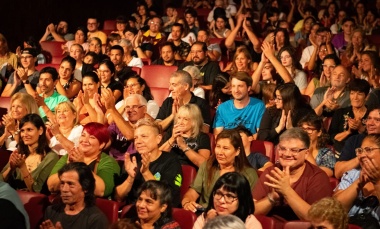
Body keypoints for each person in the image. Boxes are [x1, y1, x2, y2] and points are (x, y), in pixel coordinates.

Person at [253, 128, 332, 221]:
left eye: (294, 150)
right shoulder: (271, 172)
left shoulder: (318, 177)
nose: (287, 154)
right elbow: (252, 212)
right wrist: (272, 197)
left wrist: (286, 191)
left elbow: (316, 219)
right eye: (282, 149)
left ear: (306, 154)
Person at [182, 129, 258, 210]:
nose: (220, 152)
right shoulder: (207, 166)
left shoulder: (249, 174)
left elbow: (251, 206)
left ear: (237, 151)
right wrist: (187, 202)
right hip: (204, 213)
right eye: (218, 146)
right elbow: (193, 192)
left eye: (225, 148)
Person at [114, 118, 182, 207]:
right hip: (133, 212)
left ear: (158, 139)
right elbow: (118, 197)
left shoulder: (171, 161)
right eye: (136, 138)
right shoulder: (132, 160)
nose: (138, 141)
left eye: (144, 136)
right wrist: (130, 178)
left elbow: (167, 198)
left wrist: (146, 172)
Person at [47, 122, 120, 198]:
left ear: (101, 144)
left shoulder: (108, 162)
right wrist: (69, 166)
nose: (85, 140)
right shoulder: (69, 156)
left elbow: (102, 191)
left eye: (92, 137)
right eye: (83, 135)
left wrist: (82, 165)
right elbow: (51, 186)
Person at [0, 114, 59, 194]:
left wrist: (23, 167)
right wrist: (11, 168)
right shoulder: (19, 153)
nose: (25, 134)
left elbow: (36, 190)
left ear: (40, 130)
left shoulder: (51, 157)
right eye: (22, 131)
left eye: (29, 130)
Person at [41, 162, 109, 229]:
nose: (64, 189)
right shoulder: (51, 211)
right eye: (62, 183)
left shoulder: (96, 219)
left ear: (85, 187)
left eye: (70, 184)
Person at [334, 134, 380, 229]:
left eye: (368, 150)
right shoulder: (352, 175)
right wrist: (358, 182)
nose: (362, 155)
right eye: (360, 151)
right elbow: (334, 210)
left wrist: (377, 183)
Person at [193, 172, 262, 229]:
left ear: (242, 199)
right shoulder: (206, 217)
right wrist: (208, 223)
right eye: (218, 193)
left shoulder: (250, 223)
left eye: (229, 196)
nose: (222, 201)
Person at [156, 70, 211, 137]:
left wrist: (184, 114)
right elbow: (156, 129)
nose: (170, 88)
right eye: (170, 84)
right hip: (169, 143)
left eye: (174, 85)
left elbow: (205, 130)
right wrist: (173, 116)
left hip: (191, 143)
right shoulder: (168, 102)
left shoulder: (201, 104)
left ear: (186, 86)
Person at [213, 71, 265, 137]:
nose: (236, 90)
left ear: (248, 88)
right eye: (233, 86)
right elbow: (217, 136)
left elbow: (260, 134)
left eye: (240, 86)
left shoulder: (259, 106)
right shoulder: (222, 108)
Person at [159, 104, 211, 168]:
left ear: (194, 121)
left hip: (189, 173)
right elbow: (157, 157)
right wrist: (172, 139)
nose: (180, 122)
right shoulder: (171, 133)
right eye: (179, 118)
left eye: (185, 119)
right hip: (169, 169)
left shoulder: (202, 137)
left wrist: (183, 145)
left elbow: (203, 164)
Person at [335, 107, 380, 179]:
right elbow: (338, 172)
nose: (371, 123)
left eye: (377, 120)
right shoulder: (354, 140)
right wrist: (361, 156)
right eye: (369, 118)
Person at [328, 78, 370, 153]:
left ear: (366, 96)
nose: (355, 98)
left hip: (363, 152)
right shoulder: (340, 112)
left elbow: (376, 139)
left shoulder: (372, 115)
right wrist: (348, 131)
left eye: (359, 94)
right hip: (340, 151)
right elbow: (332, 138)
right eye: (352, 93)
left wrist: (361, 129)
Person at [105, 93, 149, 160]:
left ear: (144, 109)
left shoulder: (148, 127)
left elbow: (131, 135)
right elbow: (104, 141)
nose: (130, 110)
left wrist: (112, 109)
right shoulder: (115, 125)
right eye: (127, 107)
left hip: (135, 163)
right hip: (112, 163)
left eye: (134, 106)